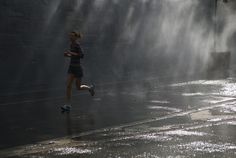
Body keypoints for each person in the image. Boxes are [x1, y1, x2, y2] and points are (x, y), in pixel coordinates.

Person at [61, 31, 95, 111]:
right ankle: (68, 105)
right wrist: (67, 55)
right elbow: (73, 56)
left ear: (76, 37)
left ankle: (89, 88)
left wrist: (71, 53)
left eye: (72, 36)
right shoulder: (71, 45)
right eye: (70, 36)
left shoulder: (77, 45)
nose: (70, 37)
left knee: (78, 87)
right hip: (71, 68)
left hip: (77, 68)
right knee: (68, 86)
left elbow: (81, 55)